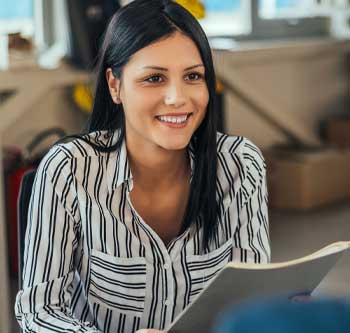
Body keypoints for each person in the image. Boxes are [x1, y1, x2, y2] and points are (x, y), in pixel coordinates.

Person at [15, 0, 270, 332]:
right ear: (114, 85)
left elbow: (253, 296)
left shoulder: (240, 165)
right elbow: (39, 311)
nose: (178, 97)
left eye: (193, 76)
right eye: (154, 79)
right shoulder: (70, 170)